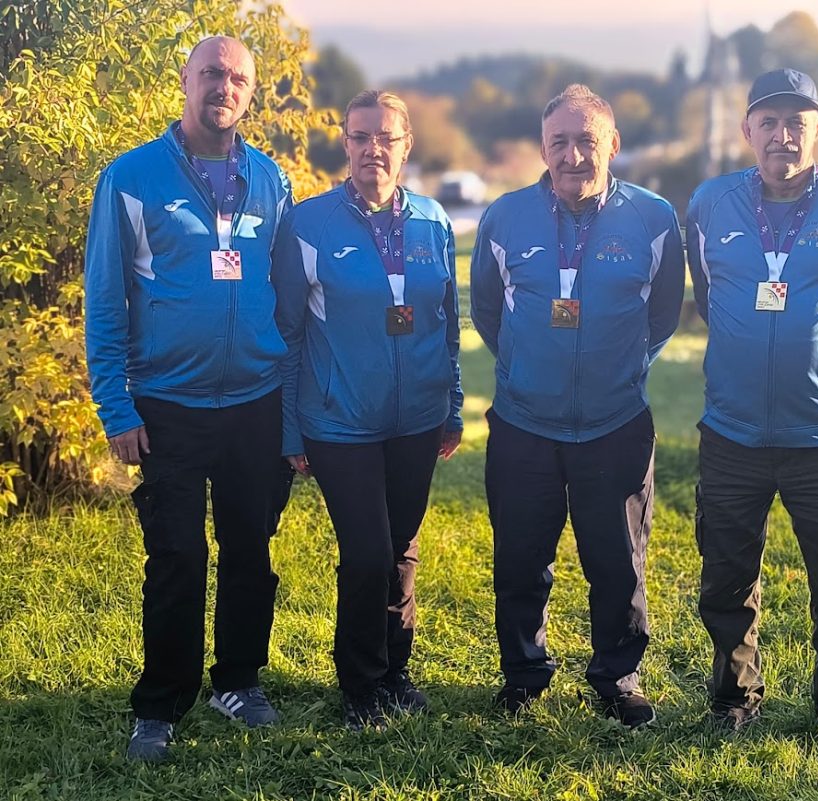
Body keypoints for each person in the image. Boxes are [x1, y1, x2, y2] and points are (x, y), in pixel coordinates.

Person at [84, 36, 294, 761]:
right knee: (175, 555)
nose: (223, 87)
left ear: (251, 91)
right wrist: (116, 406)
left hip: (257, 400)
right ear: (185, 80)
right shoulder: (131, 178)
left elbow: (287, 297)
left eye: (237, 77)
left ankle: (238, 680)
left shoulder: (271, 179)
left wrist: (292, 409)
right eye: (211, 73)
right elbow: (105, 300)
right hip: (167, 404)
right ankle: (160, 703)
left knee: (250, 550)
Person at [686, 68, 818, 753]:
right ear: (747, 129)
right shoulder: (710, 203)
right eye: (769, 121)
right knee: (726, 573)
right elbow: (708, 295)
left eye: (797, 122)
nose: (783, 135)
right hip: (732, 429)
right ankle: (733, 697)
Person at [470, 84, 685, 729]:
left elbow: (663, 315)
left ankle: (616, 678)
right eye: (559, 142)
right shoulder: (505, 217)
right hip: (523, 424)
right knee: (520, 560)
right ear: (542, 148)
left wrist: (615, 371)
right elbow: (487, 311)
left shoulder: (653, 219)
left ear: (612, 144)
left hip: (615, 424)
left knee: (617, 563)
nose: (572, 155)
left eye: (586, 141)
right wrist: (529, 369)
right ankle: (523, 674)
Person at [273, 90, 463, 732]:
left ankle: (394, 673)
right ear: (345, 144)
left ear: (407, 146)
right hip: (339, 421)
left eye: (386, 138)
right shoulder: (308, 224)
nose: (372, 149)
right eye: (360, 137)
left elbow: (447, 324)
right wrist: (291, 428)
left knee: (402, 547)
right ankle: (359, 684)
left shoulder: (434, 220)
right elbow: (289, 333)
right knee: (367, 553)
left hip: (418, 419)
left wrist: (452, 406)